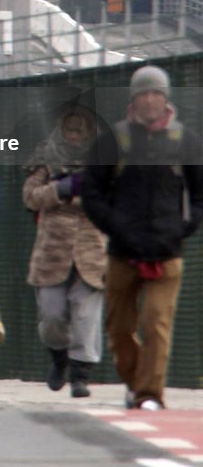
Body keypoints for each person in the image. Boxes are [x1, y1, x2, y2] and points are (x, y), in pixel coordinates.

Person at [82, 65, 203, 410]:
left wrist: (182, 229)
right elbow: (92, 193)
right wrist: (115, 227)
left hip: (167, 253)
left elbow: (199, 196)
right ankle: (135, 383)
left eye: (156, 93)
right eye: (143, 94)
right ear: (133, 99)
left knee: (156, 322)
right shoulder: (113, 140)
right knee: (118, 327)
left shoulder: (186, 141)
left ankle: (150, 393)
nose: (150, 100)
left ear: (166, 98)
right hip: (122, 252)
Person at [23, 106, 107, 397]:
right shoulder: (47, 158)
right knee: (52, 316)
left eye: (80, 130)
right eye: (69, 129)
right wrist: (60, 189)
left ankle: (81, 376)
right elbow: (30, 196)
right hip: (52, 250)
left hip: (90, 248)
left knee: (86, 316)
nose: (74, 136)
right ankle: (58, 360)